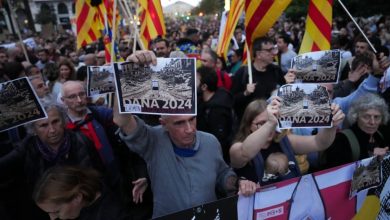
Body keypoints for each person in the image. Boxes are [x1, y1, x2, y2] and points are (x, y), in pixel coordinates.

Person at [114, 50, 257, 218]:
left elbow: (222, 173)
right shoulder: (153, 141)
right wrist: (129, 73)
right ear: (163, 124)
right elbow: (121, 120)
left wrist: (239, 183)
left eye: (192, 119)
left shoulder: (210, 142)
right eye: (179, 123)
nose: (189, 129)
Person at [61, 80, 153, 219]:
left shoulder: (100, 114)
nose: (79, 100)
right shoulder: (62, 127)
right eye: (72, 97)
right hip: (90, 185)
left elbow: (123, 118)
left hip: (117, 176)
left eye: (81, 94)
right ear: (63, 100)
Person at [0, 103, 103, 220]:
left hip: (80, 211)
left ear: (63, 121)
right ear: (34, 130)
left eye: (55, 122)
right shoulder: (27, 148)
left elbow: (99, 176)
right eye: (44, 125)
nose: (52, 130)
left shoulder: (81, 141)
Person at [229, 98, 345, 184]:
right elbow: (245, 153)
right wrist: (270, 123)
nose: (269, 128)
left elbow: (319, 143)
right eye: (261, 123)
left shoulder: (284, 141)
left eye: (273, 120)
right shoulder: (237, 148)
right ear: (248, 125)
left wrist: (331, 126)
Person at [33, 166, 131, 220]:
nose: (52, 219)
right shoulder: (82, 207)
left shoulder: (114, 214)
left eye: (56, 212)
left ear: (77, 198)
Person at [322, 93, 389, 168]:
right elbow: (336, 174)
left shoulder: (380, 135)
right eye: (366, 117)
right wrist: (370, 158)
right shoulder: (342, 140)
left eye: (376, 117)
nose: (372, 122)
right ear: (356, 117)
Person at [231, 36, 285, 121]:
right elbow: (232, 100)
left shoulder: (276, 70)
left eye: (273, 49)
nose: (273, 53)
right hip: (250, 124)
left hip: (273, 122)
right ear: (259, 54)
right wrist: (245, 93)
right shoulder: (243, 73)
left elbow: (284, 93)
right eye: (269, 50)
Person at [196, 66, 234, 163]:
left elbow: (219, 141)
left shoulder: (218, 110)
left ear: (204, 87)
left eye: (195, 80)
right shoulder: (200, 100)